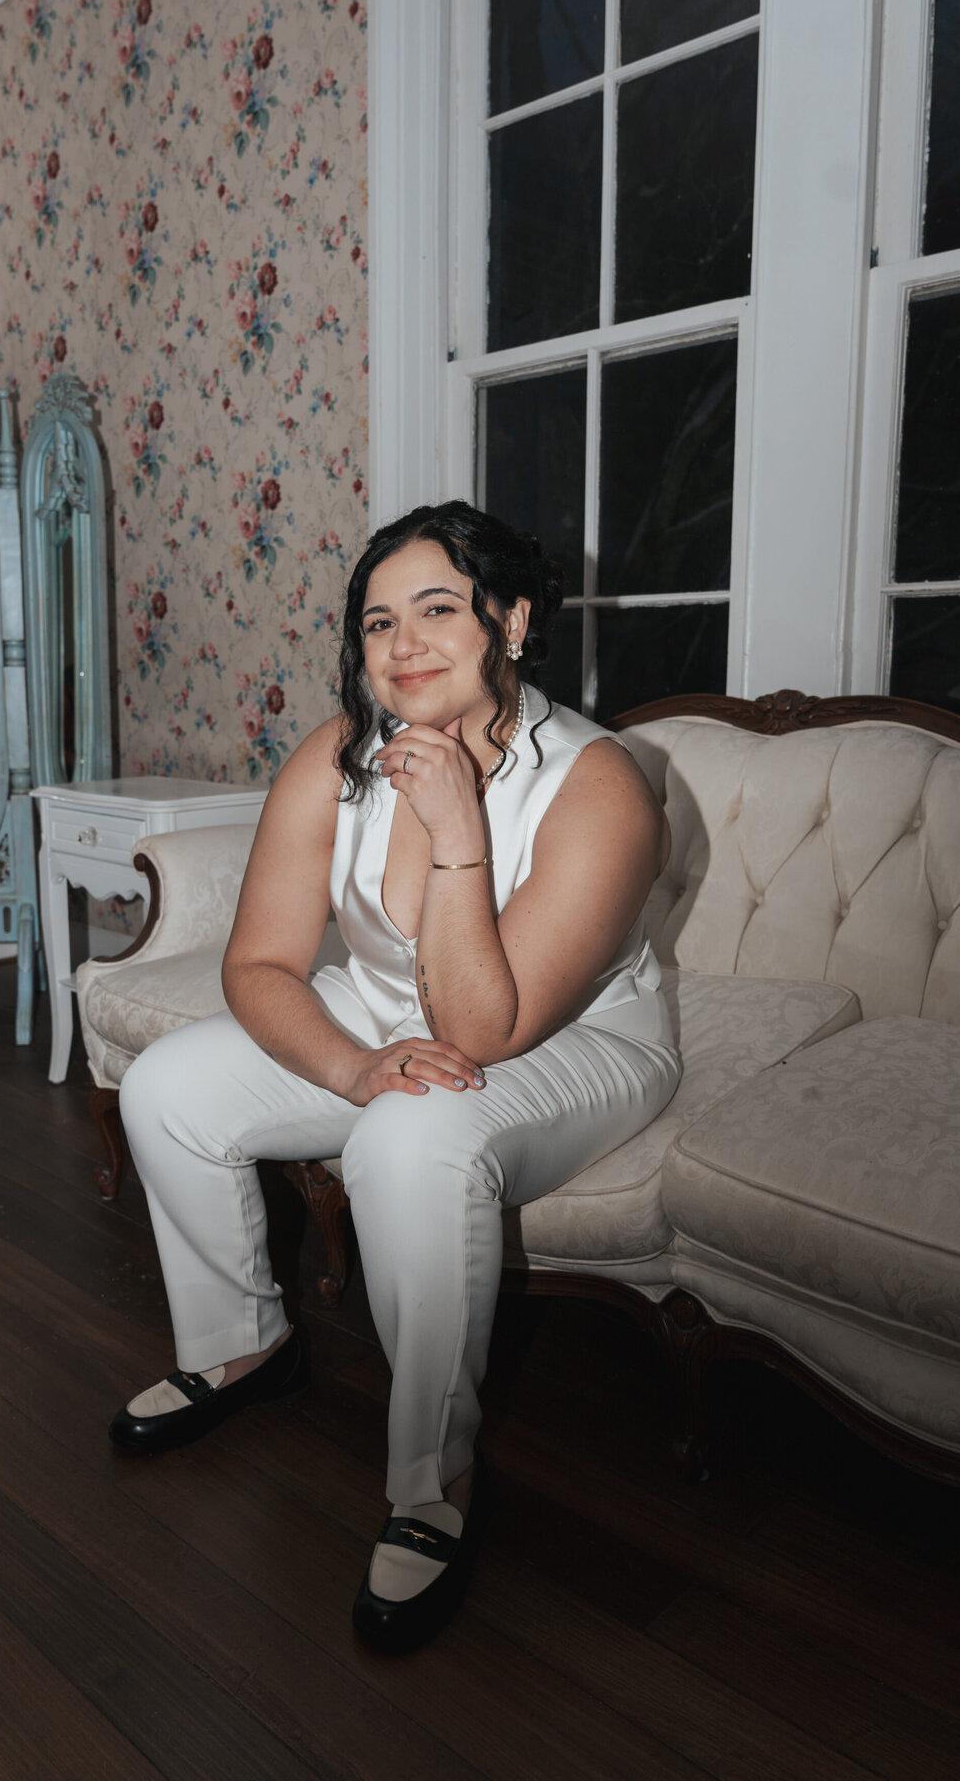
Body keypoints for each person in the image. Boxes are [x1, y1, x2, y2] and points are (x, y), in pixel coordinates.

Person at [112, 501, 681, 1651]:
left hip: (572, 1039)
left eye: (437, 608)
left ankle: (432, 1484)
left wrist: (456, 817)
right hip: (383, 1015)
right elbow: (261, 962)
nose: (402, 643)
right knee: (165, 1087)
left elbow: (485, 1021)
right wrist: (353, 1063)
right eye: (379, 620)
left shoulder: (601, 783)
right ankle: (240, 1349)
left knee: (408, 1138)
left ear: (511, 621)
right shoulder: (335, 757)